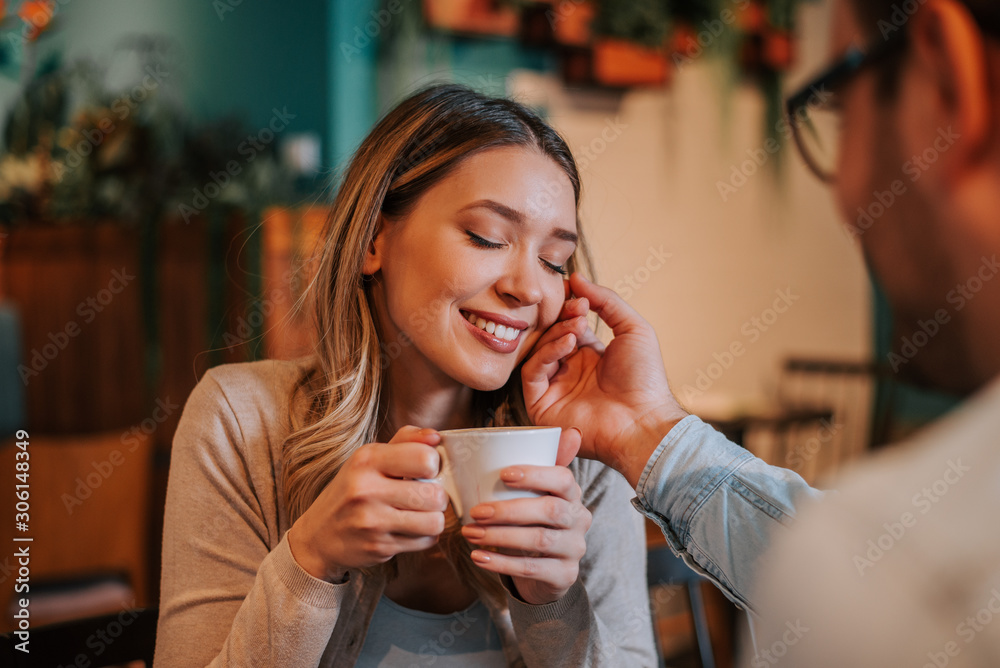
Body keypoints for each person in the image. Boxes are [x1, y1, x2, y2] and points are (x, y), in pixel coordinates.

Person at [521, 0, 1000, 664]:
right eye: (484, 237)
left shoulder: (894, 584)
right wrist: (647, 432)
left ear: (945, 77)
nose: (845, 193)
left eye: (837, 108)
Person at [153, 85, 657, 667]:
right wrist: (310, 559)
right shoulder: (239, 420)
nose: (529, 288)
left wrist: (553, 605)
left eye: (554, 261)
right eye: (487, 237)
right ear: (374, 238)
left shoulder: (574, 449)